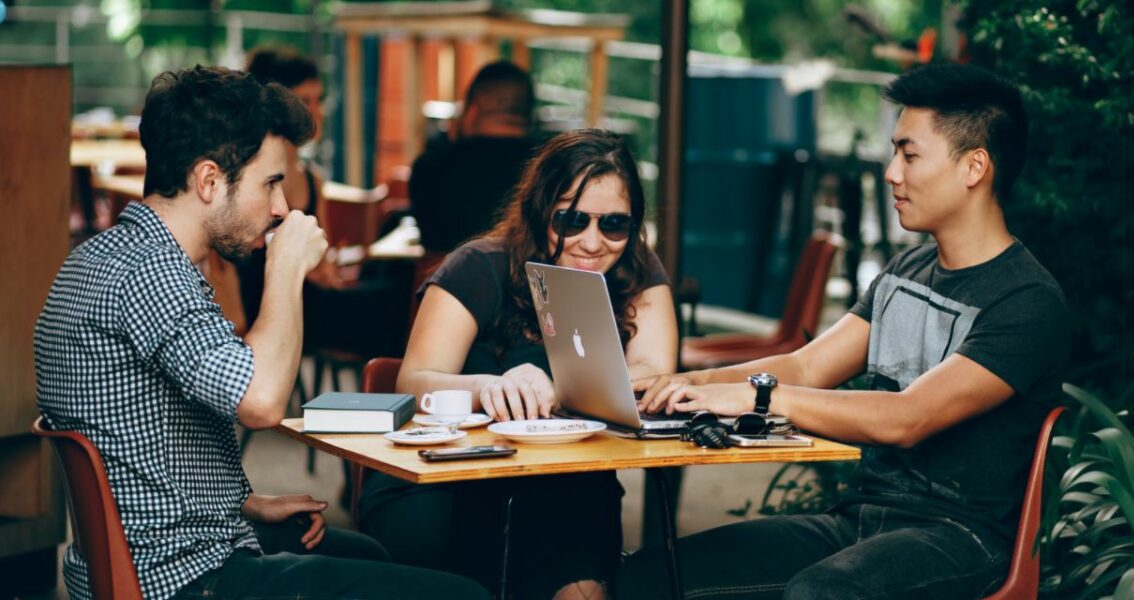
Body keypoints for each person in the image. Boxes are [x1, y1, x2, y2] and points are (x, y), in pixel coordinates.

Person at [34, 65, 488, 600]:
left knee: (364, 554)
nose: (282, 207)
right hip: (182, 579)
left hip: (145, 557)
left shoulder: (104, 257)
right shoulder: (152, 273)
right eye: (271, 182)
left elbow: (136, 439)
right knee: (463, 595)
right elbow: (262, 401)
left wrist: (241, 503)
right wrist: (286, 266)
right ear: (208, 181)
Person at [618, 64, 1070, 600]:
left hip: (961, 538)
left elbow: (909, 418)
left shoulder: (1026, 300)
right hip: (860, 521)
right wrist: (687, 383)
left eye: (909, 154)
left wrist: (756, 396)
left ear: (975, 167)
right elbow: (809, 365)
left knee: (822, 594)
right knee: (647, 579)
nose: (891, 173)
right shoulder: (906, 272)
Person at [357, 129, 678, 599]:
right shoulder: (479, 265)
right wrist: (493, 386)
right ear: (539, 212)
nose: (593, 242)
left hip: (564, 478)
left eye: (613, 224)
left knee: (573, 505)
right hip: (449, 476)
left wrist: (558, 388)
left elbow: (653, 373)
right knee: (553, 519)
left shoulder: (634, 269)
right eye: (571, 221)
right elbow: (412, 381)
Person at [240, 45, 407, 358]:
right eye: (304, 101)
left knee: (396, 283)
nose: (314, 112)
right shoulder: (249, 176)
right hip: (274, 303)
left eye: (318, 100)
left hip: (313, 299)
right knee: (398, 301)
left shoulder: (313, 179)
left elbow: (324, 260)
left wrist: (328, 265)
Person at [409, 60, 542, 253]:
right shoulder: (550, 166)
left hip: (448, 280)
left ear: (471, 111)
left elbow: (431, 243)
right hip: (527, 281)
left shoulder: (431, 166)